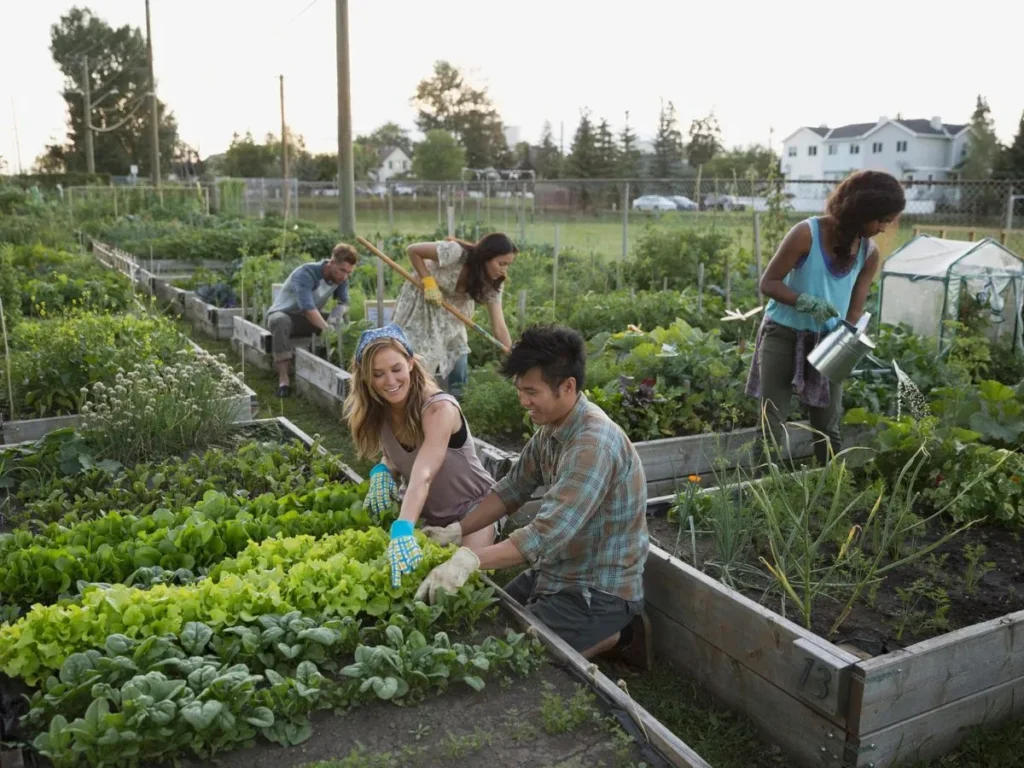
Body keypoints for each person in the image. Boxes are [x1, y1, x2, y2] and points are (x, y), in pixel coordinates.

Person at [415, 325, 652, 668]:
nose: (523, 400)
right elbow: (512, 490)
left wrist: (470, 559)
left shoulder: (593, 444)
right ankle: (597, 633)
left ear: (568, 386)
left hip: (597, 590)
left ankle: (621, 633)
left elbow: (544, 535)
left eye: (531, 391)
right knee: (485, 617)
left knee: (509, 655)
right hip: (557, 571)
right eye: (519, 390)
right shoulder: (553, 427)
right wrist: (456, 530)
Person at [747, 170, 906, 464]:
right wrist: (804, 301)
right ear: (860, 211)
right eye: (882, 219)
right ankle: (761, 494)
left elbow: (854, 310)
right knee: (772, 422)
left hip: (829, 341)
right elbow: (768, 283)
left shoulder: (868, 253)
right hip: (783, 335)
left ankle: (831, 488)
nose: (884, 228)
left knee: (827, 425)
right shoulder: (806, 233)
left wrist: (847, 341)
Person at [342, 324, 497, 588]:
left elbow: (423, 474)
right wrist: (383, 472)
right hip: (426, 516)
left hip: (473, 512)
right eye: (378, 374)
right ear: (366, 378)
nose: (389, 382)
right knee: (397, 580)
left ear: (411, 363)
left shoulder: (439, 408)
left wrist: (402, 529)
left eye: (396, 369)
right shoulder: (380, 409)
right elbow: (393, 455)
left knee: (461, 581)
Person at [392, 233, 517, 398]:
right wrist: (428, 282)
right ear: (486, 256)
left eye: (507, 265)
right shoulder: (455, 252)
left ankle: (457, 405)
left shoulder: (493, 284)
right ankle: (412, 400)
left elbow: (499, 326)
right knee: (419, 357)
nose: (503, 270)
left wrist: (512, 357)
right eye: (501, 263)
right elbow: (413, 250)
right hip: (423, 301)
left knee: (458, 358)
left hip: (452, 314)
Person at [265, 243, 358, 398]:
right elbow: (308, 309)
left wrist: (338, 312)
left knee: (344, 324)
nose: (344, 276)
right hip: (285, 315)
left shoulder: (341, 280)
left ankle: (344, 369)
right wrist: (328, 329)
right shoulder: (306, 273)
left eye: (349, 272)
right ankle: (284, 380)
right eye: (342, 270)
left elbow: (345, 303)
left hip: (306, 320)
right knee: (280, 321)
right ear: (332, 262)